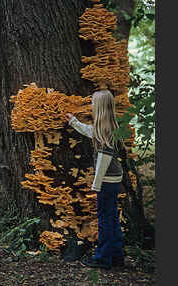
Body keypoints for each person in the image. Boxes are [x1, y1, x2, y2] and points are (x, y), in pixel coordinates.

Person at [64, 89, 125, 270]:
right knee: (112, 218)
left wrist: (96, 184)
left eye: (93, 104)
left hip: (106, 180)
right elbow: (90, 131)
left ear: (99, 108)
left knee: (105, 219)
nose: (90, 106)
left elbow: (103, 160)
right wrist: (74, 122)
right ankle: (117, 256)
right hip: (113, 179)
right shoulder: (107, 128)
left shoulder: (105, 132)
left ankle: (102, 258)